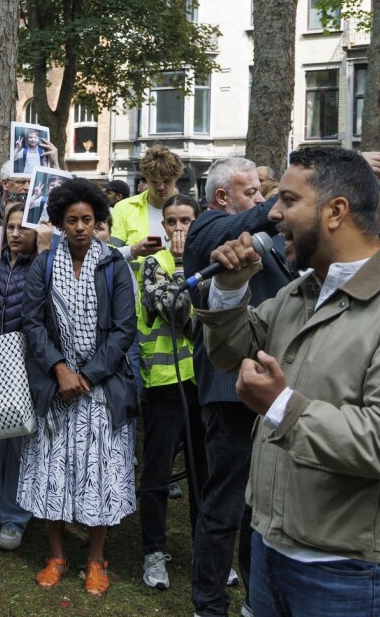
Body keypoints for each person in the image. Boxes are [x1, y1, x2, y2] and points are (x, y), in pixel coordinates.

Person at [197, 146, 380, 617]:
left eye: (286, 200)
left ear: (336, 211)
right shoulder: (305, 289)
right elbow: (232, 353)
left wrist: (281, 405)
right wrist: (229, 288)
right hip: (272, 545)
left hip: (350, 570)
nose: (273, 213)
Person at [184, 155, 300, 615]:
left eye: (262, 191)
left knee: (262, 507)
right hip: (228, 388)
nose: (260, 200)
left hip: (271, 387)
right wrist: (279, 200)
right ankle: (208, 604)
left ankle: (257, 598)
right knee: (224, 505)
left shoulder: (265, 240)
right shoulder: (207, 229)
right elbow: (237, 226)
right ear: (221, 197)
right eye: (251, 192)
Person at [19, 177, 137, 597]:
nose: (80, 227)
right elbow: (31, 321)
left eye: (88, 219)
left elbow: (125, 329)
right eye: (72, 220)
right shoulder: (43, 264)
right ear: (60, 222)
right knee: (53, 471)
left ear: (98, 220)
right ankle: (56, 555)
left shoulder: (114, 265)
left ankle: (95, 558)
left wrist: (87, 375)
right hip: (55, 388)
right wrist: (59, 369)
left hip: (100, 390)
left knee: (98, 472)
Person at [135, 193, 205, 591]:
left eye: (187, 221)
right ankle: (154, 553)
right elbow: (178, 311)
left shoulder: (213, 260)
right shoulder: (154, 264)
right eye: (173, 222)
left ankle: (205, 549)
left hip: (205, 384)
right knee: (157, 474)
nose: (179, 229)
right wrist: (182, 266)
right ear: (163, 227)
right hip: (164, 385)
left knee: (203, 474)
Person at [0, 203, 41, 553]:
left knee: (19, 444)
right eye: (11, 227)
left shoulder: (42, 268)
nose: (16, 234)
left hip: (26, 366)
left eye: (23, 227)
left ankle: (14, 519)